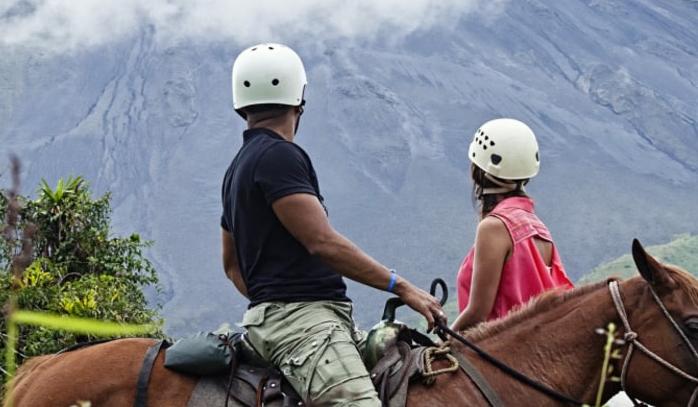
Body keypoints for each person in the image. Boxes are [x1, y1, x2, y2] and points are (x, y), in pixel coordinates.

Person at [221, 43, 446, 407]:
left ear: (241, 105)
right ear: (299, 102)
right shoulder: (279, 156)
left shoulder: (237, 168)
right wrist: (402, 287)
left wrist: (270, 300)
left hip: (299, 320)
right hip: (304, 326)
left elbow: (232, 266)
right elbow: (321, 242)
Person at [451, 118, 574, 332]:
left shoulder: (494, 227)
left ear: (478, 170)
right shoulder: (537, 227)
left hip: (496, 348)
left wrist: (441, 343)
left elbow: (478, 314)